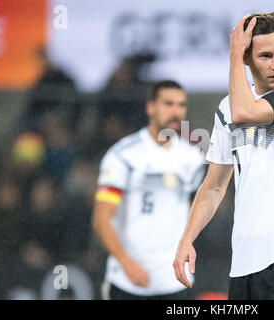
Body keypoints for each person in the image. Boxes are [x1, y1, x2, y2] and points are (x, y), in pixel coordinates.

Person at [173, 12, 274, 300]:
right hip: (244, 262)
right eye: (266, 56)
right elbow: (215, 186)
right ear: (248, 59)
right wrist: (187, 238)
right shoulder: (226, 108)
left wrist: (233, 56)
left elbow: (245, 113)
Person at [92, 80, 204, 300]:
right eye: (168, 104)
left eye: (181, 105)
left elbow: (195, 210)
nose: (175, 112)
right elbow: (101, 218)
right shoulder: (123, 155)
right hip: (128, 282)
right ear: (150, 107)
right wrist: (126, 263)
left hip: (176, 281)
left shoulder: (193, 158)